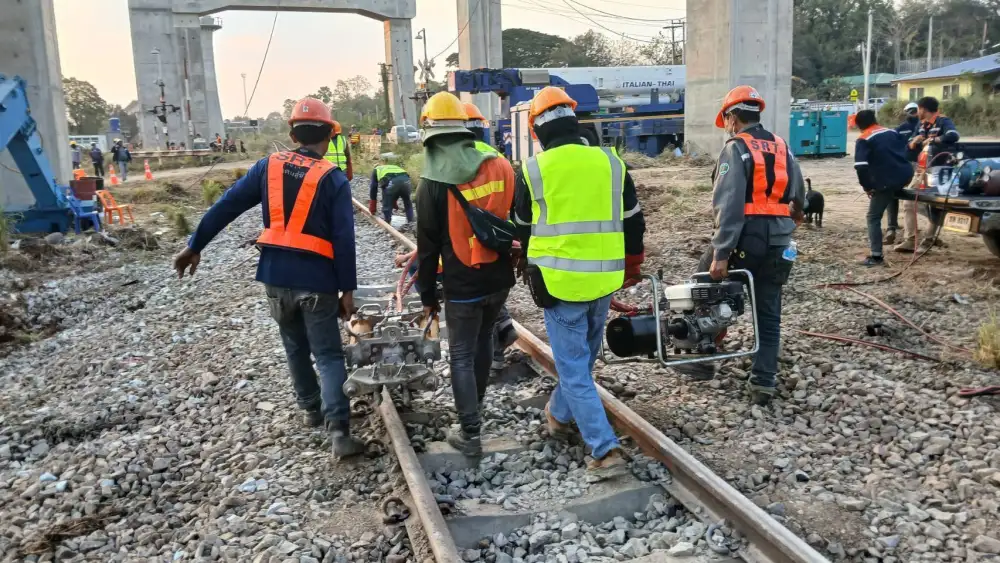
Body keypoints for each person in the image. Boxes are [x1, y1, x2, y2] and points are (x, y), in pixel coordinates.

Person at [172, 97, 363, 458]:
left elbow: (226, 205)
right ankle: (338, 430)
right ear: (329, 135)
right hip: (318, 280)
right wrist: (347, 289)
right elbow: (344, 237)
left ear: (292, 134)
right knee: (328, 356)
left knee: (294, 345)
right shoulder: (333, 178)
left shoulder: (267, 167)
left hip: (275, 277)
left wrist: (195, 245)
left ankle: (310, 409)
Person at [512, 87, 645, 478]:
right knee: (582, 361)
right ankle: (557, 413)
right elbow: (634, 221)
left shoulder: (533, 169)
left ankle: (605, 450)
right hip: (604, 278)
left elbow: (520, 230)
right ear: (576, 119)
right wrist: (632, 265)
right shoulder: (611, 163)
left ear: (536, 130)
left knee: (573, 369)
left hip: (559, 286)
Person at [415, 92, 517, 458]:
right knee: (484, 341)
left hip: (461, 282)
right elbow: (517, 219)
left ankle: (469, 432)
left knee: (460, 353)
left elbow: (427, 249)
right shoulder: (501, 165)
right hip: (499, 278)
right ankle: (476, 409)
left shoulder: (431, 184)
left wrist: (427, 297)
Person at [705, 85, 805, 406]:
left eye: (727, 120)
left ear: (733, 117)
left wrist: (721, 254)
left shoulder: (735, 149)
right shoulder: (781, 146)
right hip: (782, 241)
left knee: (705, 288)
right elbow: (799, 195)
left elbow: (729, 205)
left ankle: (698, 358)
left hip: (747, 239)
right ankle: (763, 382)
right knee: (769, 311)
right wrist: (790, 224)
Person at [464, 101, 519, 369]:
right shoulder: (502, 161)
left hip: (465, 251)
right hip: (498, 245)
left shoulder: (454, 162)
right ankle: (502, 334)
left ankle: (485, 365)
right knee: (493, 302)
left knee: (472, 319)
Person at [853, 110, 915, 266]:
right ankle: (892, 228)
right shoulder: (891, 132)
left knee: (873, 216)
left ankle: (876, 257)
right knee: (891, 195)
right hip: (905, 176)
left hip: (887, 181)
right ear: (875, 120)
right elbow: (907, 149)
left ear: (859, 125)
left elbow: (861, 167)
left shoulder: (864, 139)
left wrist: (868, 187)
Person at [884, 102, 921, 244]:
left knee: (896, 193)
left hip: (913, 165)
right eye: (911, 111)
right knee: (898, 194)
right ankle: (893, 227)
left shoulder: (916, 128)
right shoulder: (905, 129)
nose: (912, 113)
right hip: (913, 165)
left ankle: (892, 228)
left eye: (914, 111)